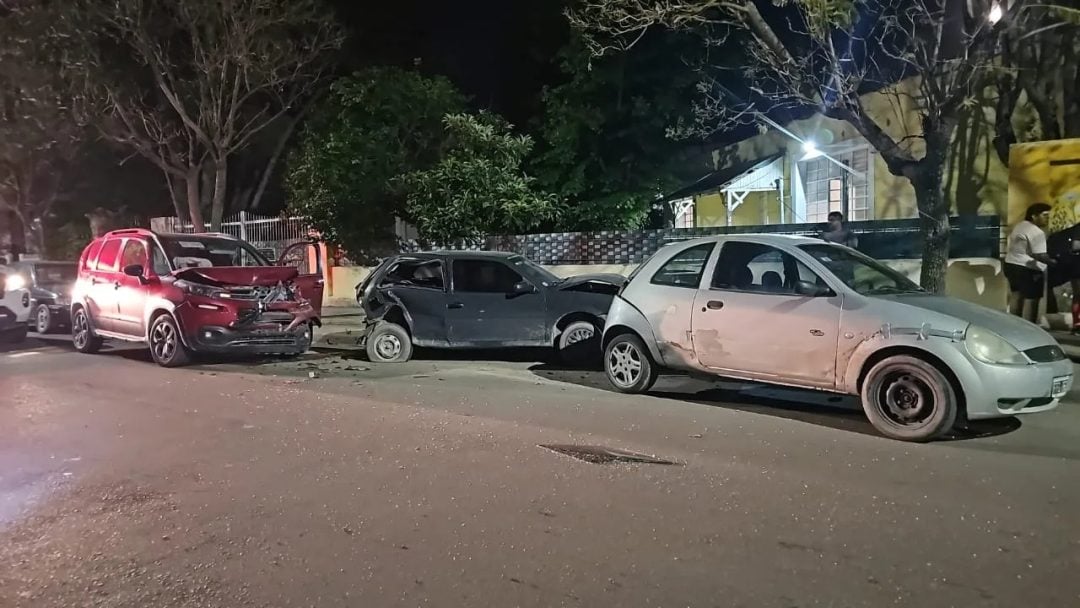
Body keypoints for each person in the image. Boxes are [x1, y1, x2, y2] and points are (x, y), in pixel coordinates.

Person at [1005, 202, 1055, 323]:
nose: (1047, 219)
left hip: (1010, 265)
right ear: (1034, 216)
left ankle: (1013, 325)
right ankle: (1031, 329)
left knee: (1016, 296)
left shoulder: (1020, 226)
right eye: (1044, 215)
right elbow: (1040, 256)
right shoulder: (1036, 232)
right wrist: (1055, 262)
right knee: (1032, 299)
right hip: (1028, 268)